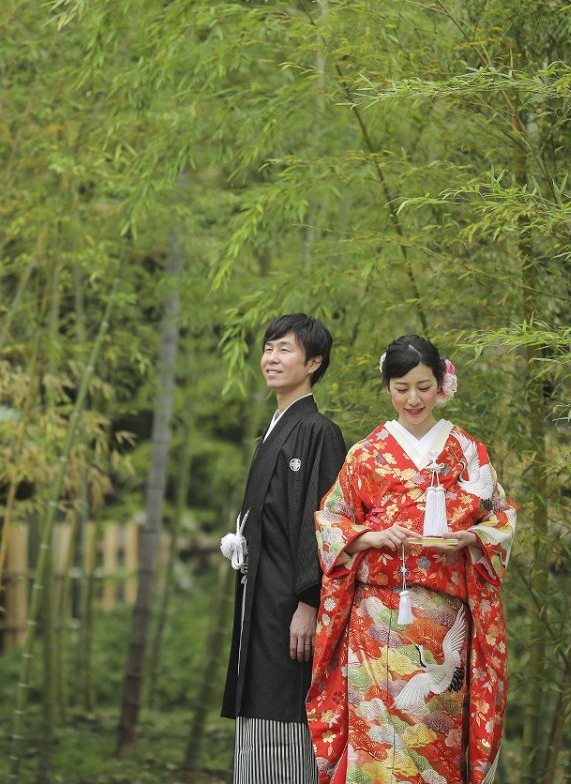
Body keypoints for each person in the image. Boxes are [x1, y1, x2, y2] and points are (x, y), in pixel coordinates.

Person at [304, 335, 515, 784]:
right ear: (387, 387)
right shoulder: (365, 453)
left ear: (442, 384)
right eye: (401, 388)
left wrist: (469, 538)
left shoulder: (467, 452)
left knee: (433, 738)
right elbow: (329, 522)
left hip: (441, 624)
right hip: (374, 619)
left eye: (423, 386)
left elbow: (502, 518)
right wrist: (372, 536)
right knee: (373, 738)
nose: (413, 399)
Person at [220, 313, 347, 784]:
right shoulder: (273, 430)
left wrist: (309, 602)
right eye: (268, 348)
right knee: (258, 699)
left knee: (285, 704)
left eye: (285, 349)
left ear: (314, 362)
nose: (271, 358)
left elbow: (325, 524)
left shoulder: (319, 432)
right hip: (261, 596)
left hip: (289, 606)